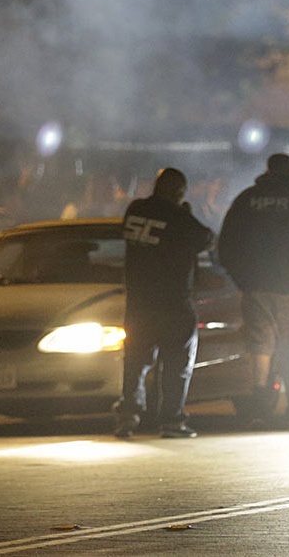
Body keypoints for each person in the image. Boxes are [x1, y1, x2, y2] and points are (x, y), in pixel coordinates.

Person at [217, 153, 289, 425]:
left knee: (260, 344)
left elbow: (227, 243)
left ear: (267, 170)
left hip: (256, 286)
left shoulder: (247, 200)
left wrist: (241, 278)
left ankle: (259, 403)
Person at [114, 167, 213, 439]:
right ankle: (172, 421)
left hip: (139, 303)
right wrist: (187, 212)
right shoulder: (179, 217)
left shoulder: (136, 210)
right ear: (179, 192)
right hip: (174, 303)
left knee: (135, 360)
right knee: (176, 364)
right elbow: (205, 238)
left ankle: (128, 416)